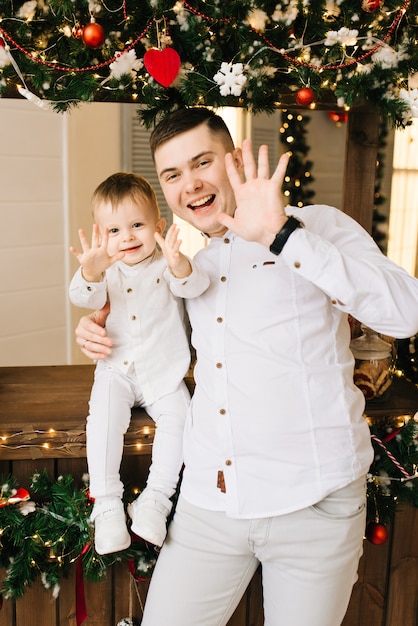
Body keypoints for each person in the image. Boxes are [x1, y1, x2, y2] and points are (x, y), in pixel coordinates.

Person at [75, 108, 418, 625]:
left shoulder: (316, 226)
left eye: (202, 162)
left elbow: (405, 312)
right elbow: (146, 337)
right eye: (172, 175)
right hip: (207, 507)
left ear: (233, 159)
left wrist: (281, 234)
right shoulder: (185, 269)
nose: (190, 184)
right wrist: (97, 331)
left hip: (316, 506)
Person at [69, 172, 209, 555]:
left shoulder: (169, 265)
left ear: (159, 226)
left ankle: (156, 499)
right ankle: (108, 504)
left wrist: (180, 264)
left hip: (164, 375)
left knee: (181, 418)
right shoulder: (105, 270)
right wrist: (92, 269)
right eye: (115, 230)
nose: (127, 237)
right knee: (103, 418)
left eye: (137, 225)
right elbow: (81, 295)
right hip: (116, 370)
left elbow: (193, 287)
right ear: (101, 234)